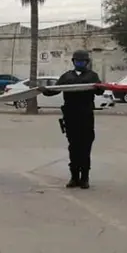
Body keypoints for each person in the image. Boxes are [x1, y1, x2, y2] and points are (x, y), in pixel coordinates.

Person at [43, 49, 103, 189]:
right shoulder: (66, 77)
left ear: (87, 62)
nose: (79, 63)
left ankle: (85, 178)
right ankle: (74, 177)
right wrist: (44, 90)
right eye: (77, 61)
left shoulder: (92, 76)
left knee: (85, 147)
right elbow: (55, 90)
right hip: (71, 117)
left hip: (86, 116)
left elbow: (100, 90)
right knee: (73, 148)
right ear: (73, 62)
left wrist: (98, 86)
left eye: (82, 61)